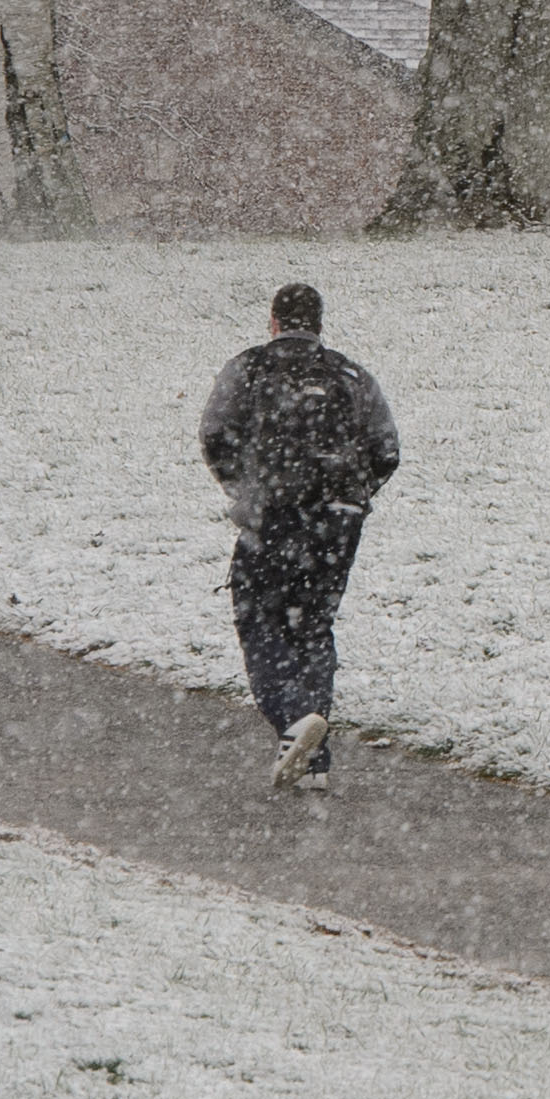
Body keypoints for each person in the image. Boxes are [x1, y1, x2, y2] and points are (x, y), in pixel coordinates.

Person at [197, 280, 399, 794]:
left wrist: (246, 490)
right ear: (319, 324)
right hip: (337, 520)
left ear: (274, 322)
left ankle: (293, 721)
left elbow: (216, 434)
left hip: (273, 517)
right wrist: (350, 497)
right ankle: (314, 760)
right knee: (313, 627)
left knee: (261, 622)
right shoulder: (350, 375)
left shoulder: (248, 369)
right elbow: (386, 449)